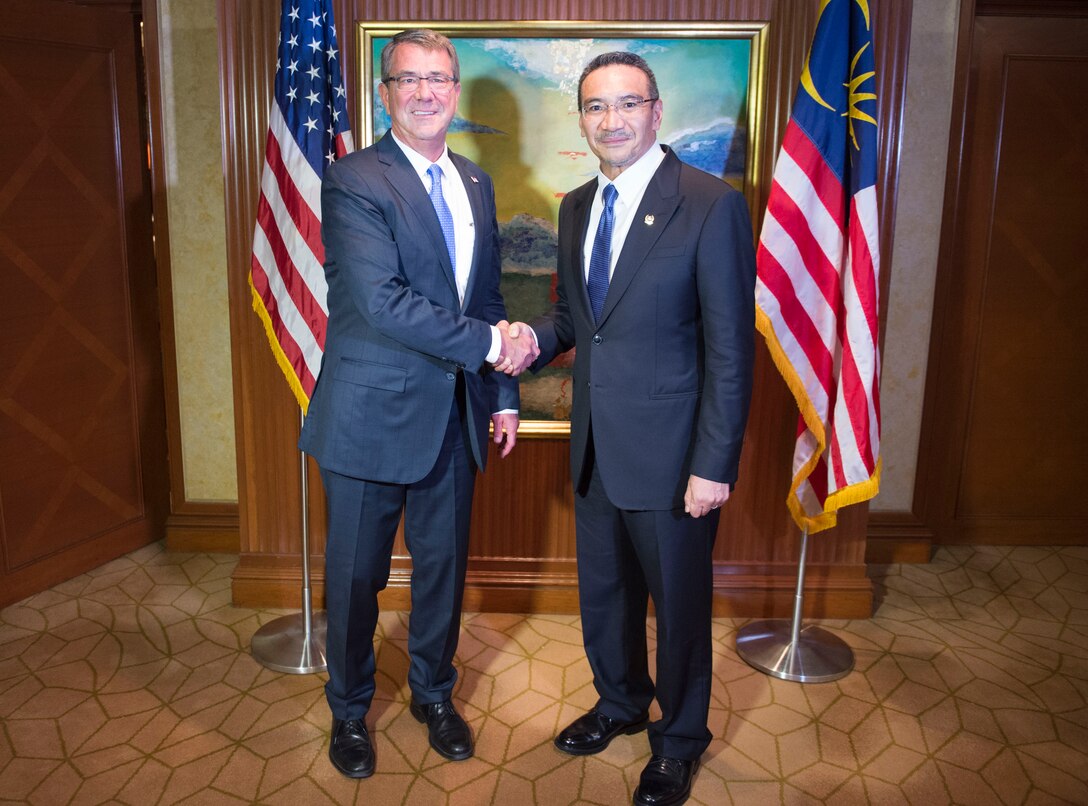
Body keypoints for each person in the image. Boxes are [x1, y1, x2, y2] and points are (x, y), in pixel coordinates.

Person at [516, 52, 756, 806]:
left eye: (626, 104)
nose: (610, 120)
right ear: (581, 118)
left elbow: (729, 347)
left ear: (656, 111)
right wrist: (525, 338)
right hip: (594, 447)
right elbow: (581, 323)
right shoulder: (578, 204)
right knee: (606, 597)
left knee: (678, 609)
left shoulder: (710, 204)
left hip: (675, 456)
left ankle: (679, 739)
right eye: (594, 106)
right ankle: (619, 702)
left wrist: (713, 463)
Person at [299, 29, 537, 779]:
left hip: (455, 417)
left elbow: (489, 298)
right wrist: (494, 348)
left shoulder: (474, 182)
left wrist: (501, 395)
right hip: (369, 418)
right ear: (384, 92)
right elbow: (381, 302)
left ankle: (435, 693)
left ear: (455, 91)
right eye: (410, 79)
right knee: (356, 577)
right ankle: (349, 710)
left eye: (440, 79)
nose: (427, 93)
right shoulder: (354, 179)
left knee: (443, 571)